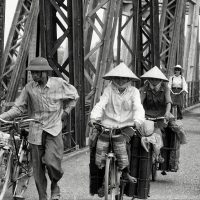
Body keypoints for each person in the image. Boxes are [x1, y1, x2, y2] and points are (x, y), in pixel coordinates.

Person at [0, 57, 79, 200]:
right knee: (37, 171)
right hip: (35, 131)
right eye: (32, 73)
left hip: (54, 129)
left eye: (36, 73)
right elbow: (18, 107)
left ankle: (55, 184)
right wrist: (3, 116)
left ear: (44, 72)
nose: (33, 75)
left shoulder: (59, 84)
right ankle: (43, 197)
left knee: (51, 163)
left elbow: (75, 96)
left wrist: (66, 112)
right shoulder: (29, 88)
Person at [89, 62, 145, 196]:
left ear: (129, 80)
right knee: (99, 147)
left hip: (127, 125)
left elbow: (138, 107)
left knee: (124, 144)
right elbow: (101, 104)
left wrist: (137, 121)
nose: (121, 81)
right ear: (113, 79)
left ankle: (125, 172)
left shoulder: (134, 91)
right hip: (108, 124)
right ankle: (102, 181)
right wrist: (94, 118)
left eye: (124, 78)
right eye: (118, 78)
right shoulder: (109, 89)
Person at [140, 66, 186, 172]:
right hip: (146, 115)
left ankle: (158, 153)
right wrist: (140, 112)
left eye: (156, 79)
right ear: (149, 79)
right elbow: (140, 102)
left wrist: (166, 112)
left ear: (160, 79)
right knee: (140, 132)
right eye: (152, 79)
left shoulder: (165, 88)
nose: (154, 81)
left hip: (160, 115)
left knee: (158, 131)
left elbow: (169, 102)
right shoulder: (145, 88)